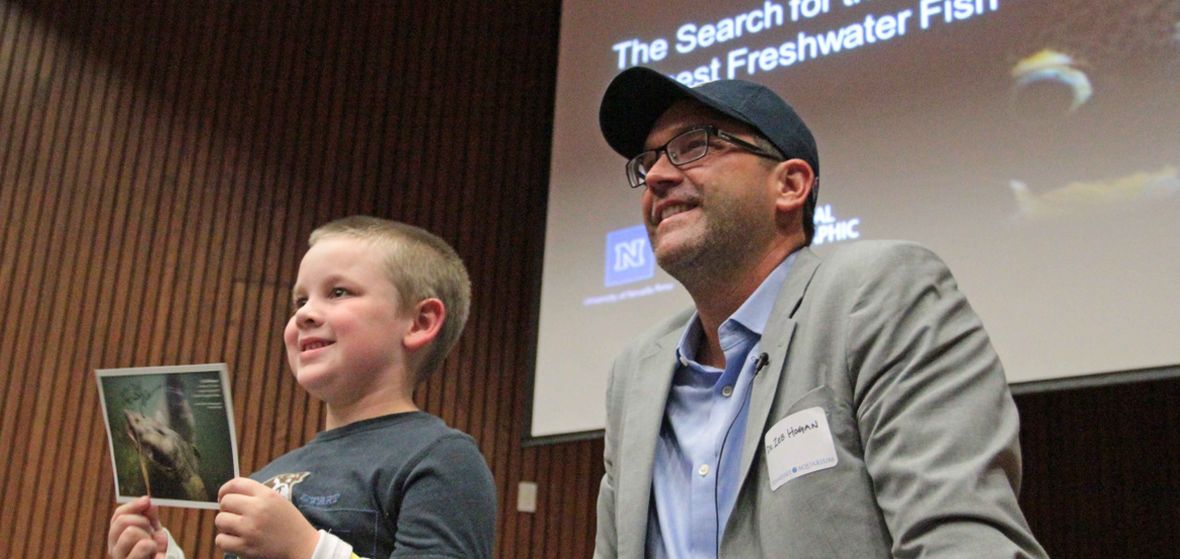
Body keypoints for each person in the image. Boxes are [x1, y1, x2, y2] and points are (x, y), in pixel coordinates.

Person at [593, 67, 1048, 558]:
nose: (656, 176)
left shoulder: (877, 291)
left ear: (789, 185)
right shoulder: (636, 372)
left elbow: (959, 541)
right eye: (648, 161)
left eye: (694, 145)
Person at [108, 216, 497, 559]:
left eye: (338, 292)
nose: (305, 313)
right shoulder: (268, 477)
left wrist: (306, 550)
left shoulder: (440, 459)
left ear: (419, 322)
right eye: (299, 300)